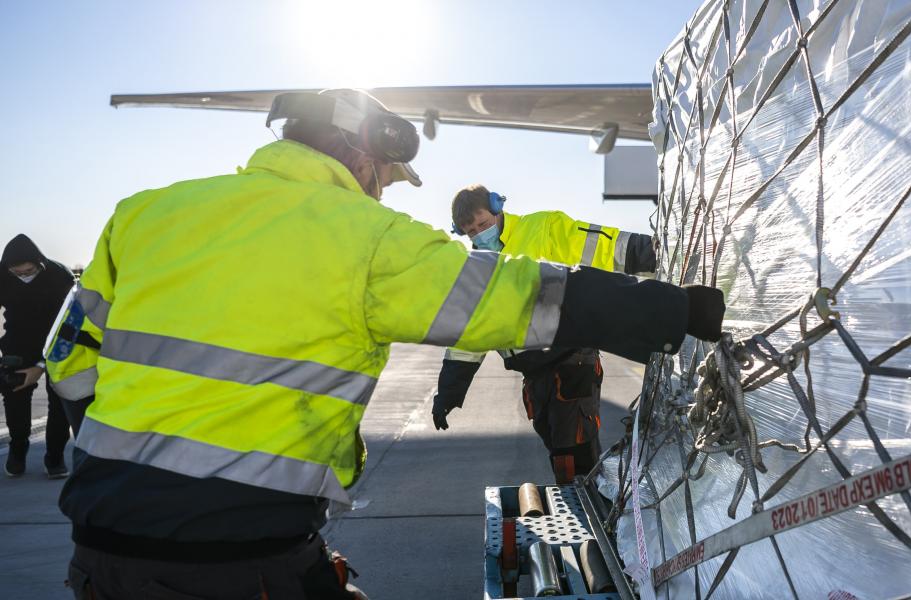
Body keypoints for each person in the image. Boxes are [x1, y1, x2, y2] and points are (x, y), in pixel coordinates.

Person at [46, 88, 725, 599]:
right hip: (236, 553)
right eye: (384, 177)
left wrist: (128, 462)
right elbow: (516, 298)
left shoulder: (143, 214)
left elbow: (68, 363)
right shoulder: (364, 237)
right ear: (362, 153)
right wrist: (675, 308)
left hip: (100, 541)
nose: (380, 191)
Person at [431, 185, 659, 482]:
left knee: (574, 452)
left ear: (497, 209)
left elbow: (604, 246)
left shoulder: (542, 229)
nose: (480, 234)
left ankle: (593, 513)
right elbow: (469, 337)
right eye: (472, 231)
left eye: (484, 224)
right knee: (558, 449)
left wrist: (657, 253)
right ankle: (590, 506)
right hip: (535, 376)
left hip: (571, 362)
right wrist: (448, 392)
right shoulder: (476, 272)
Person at [0, 234, 75, 478]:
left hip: (57, 344)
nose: (24, 276)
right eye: (17, 273)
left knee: (61, 402)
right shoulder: (2, 275)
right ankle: (18, 447)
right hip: (17, 345)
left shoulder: (59, 275)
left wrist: (42, 364)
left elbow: (71, 320)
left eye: (29, 271)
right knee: (14, 397)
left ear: (40, 264)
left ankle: (54, 456)